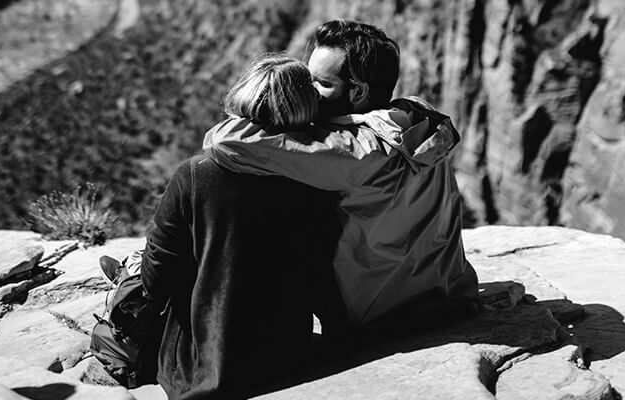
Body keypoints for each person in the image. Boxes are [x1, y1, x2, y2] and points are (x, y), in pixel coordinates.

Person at [203, 20, 479, 331]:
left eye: (319, 83)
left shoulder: (354, 150)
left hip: (373, 315)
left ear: (358, 91)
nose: (307, 91)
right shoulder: (415, 117)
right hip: (444, 294)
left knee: (218, 179)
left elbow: (224, 141)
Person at [107, 54, 342, 399]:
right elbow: (323, 270)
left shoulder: (197, 173)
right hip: (287, 354)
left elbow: (158, 280)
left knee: (140, 274)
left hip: (202, 365)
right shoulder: (320, 176)